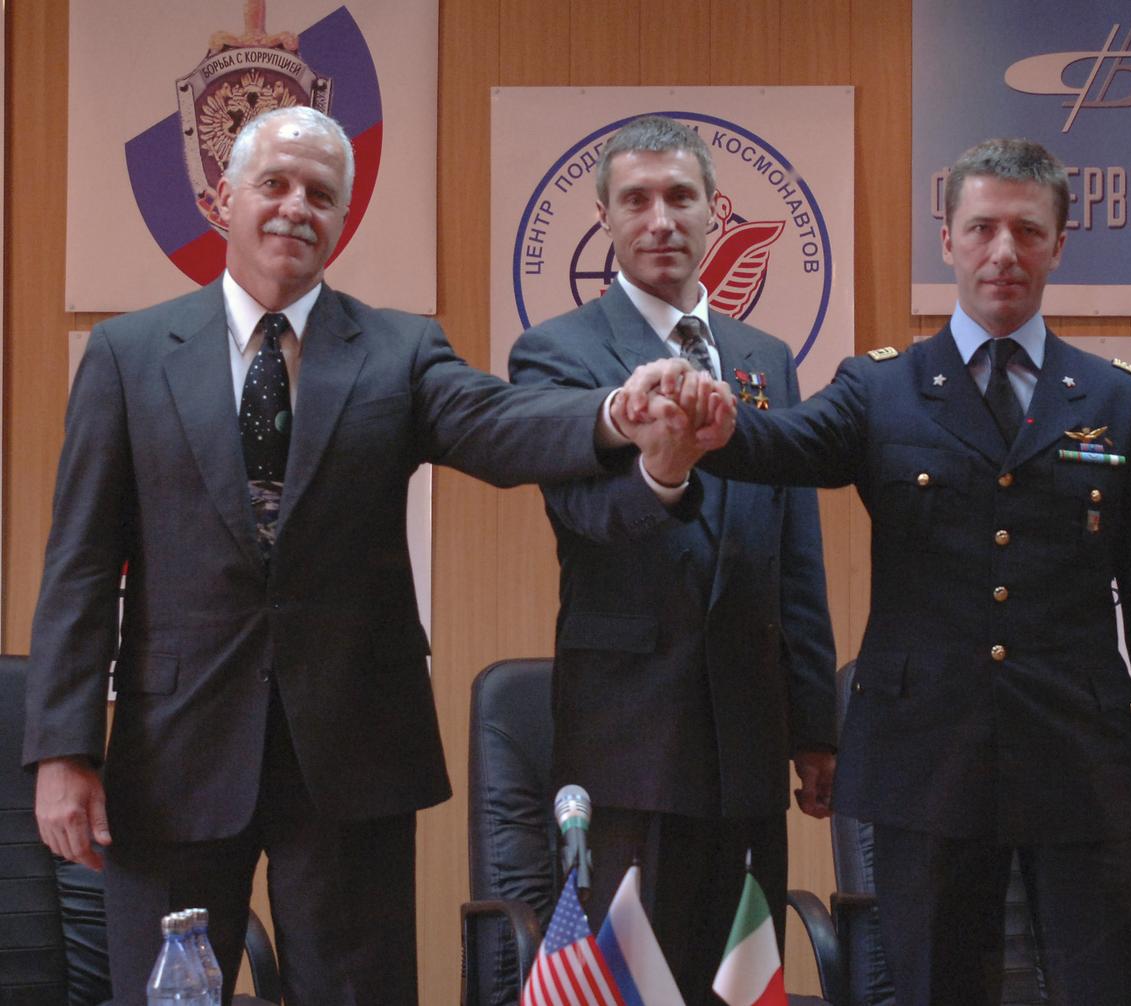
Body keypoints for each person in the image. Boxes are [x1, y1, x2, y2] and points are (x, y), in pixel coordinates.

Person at [23, 106, 679, 1006]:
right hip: (171, 752)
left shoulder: (399, 350)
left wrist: (612, 415)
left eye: (321, 195)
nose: (297, 207)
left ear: (342, 220)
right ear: (225, 200)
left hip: (353, 750)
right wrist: (63, 748)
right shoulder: (129, 355)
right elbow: (81, 564)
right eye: (275, 185)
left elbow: (496, 424)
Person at [629, 137, 1131, 1005]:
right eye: (980, 228)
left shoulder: (1121, 401)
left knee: (1108, 985)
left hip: (1081, 761)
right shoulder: (882, 388)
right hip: (924, 758)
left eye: (1026, 230)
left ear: (1059, 243)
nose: (1002, 252)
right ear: (946, 240)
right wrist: (712, 422)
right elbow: (787, 443)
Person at [508, 115, 837, 1003]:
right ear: (606, 221)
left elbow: (791, 554)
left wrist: (814, 727)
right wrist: (660, 469)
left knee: (739, 979)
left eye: (680, 197)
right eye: (636, 200)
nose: (660, 218)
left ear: (712, 213)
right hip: (625, 747)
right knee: (628, 987)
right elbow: (583, 512)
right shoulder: (558, 353)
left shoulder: (763, 357)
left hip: (745, 740)